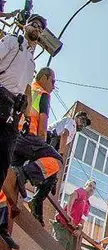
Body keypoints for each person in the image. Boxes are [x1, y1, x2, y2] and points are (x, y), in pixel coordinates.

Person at [0, 14, 45, 242]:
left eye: (41, 27)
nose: (37, 27)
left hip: (12, 112)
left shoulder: (32, 62)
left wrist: (26, 117)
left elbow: (27, 89)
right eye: (34, 23)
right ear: (26, 26)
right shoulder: (11, 42)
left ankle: (0, 221)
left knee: (3, 162)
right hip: (0, 96)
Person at [12, 67, 64, 225]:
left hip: (13, 136)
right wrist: (42, 145)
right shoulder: (43, 94)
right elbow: (42, 127)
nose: (54, 86)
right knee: (57, 160)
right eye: (53, 82)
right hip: (29, 136)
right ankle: (25, 175)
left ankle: (18, 176)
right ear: (45, 78)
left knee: (11, 176)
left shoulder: (26, 86)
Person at [51, 179, 95, 250]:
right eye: (90, 186)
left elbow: (82, 220)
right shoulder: (81, 192)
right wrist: (69, 215)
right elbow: (72, 197)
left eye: (93, 188)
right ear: (85, 186)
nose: (91, 189)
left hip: (71, 231)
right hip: (63, 226)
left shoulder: (88, 204)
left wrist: (79, 230)